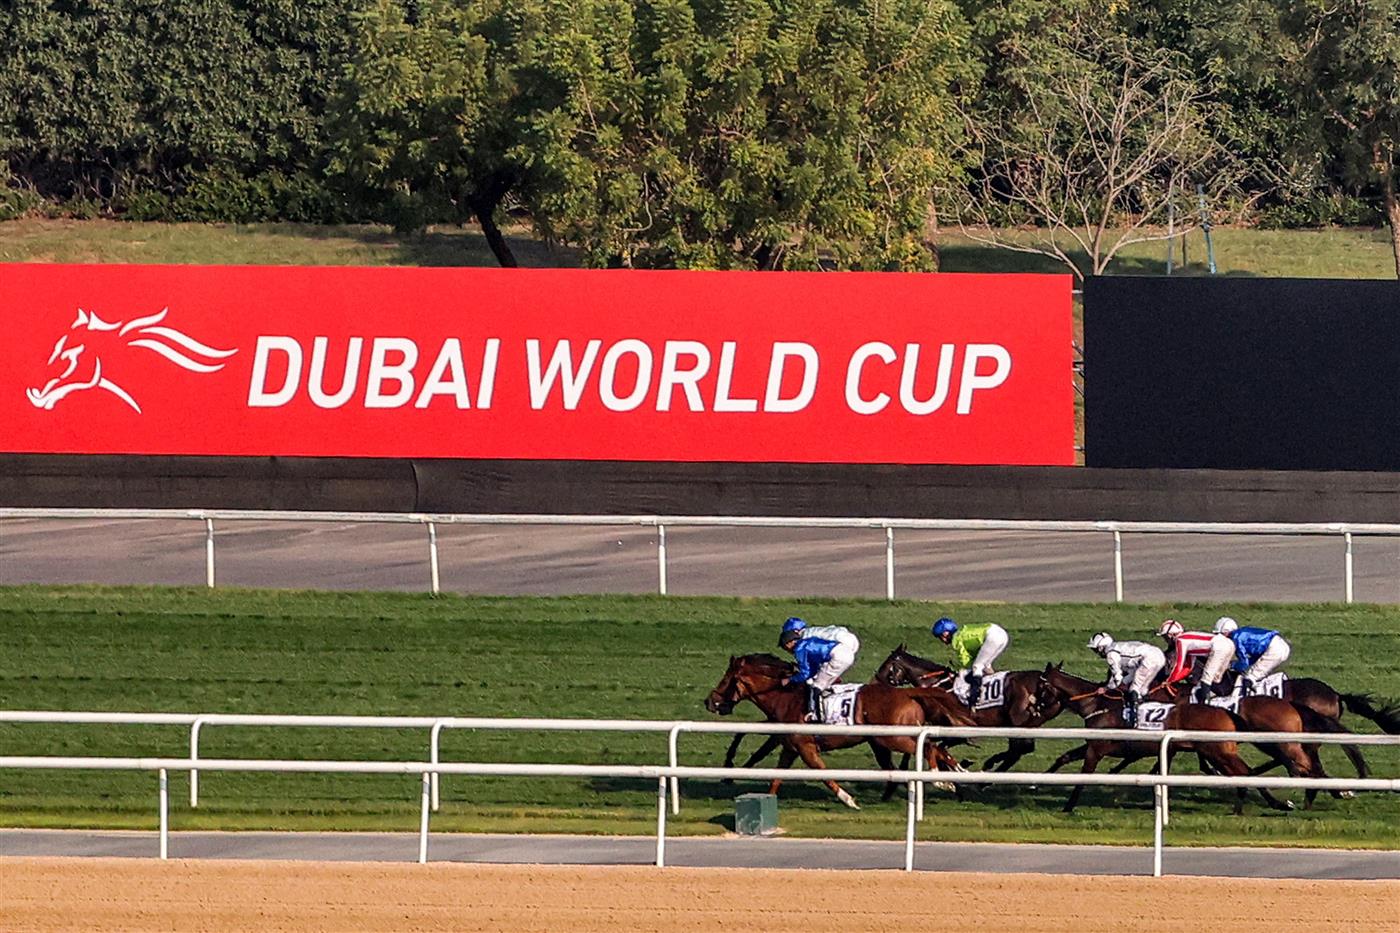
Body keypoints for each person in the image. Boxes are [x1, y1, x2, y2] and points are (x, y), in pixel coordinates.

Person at [777, 617, 860, 722]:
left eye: (785, 647)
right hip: (848, 645)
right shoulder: (810, 633)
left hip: (839, 651)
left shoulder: (802, 643)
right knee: (823, 678)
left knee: (815, 685)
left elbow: (806, 673)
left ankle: (814, 715)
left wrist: (791, 679)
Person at [1087, 631, 1165, 727]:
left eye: (1096, 650)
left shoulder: (1111, 655)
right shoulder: (1116, 647)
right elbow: (1129, 674)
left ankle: (1134, 720)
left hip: (1149, 659)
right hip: (1158, 655)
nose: (1097, 653)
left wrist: (1106, 688)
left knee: (1134, 689)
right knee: (1143, 690)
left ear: (1101, 647)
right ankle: (1148, 715)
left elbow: (1118, 678)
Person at [931, 616, 1009, 707]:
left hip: (992, 637)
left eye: (940, 637)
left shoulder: (956, 639)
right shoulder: (962, 633)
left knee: (977, 666)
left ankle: (974, 697)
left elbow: (966, 662)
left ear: (945, 633)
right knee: (986, 665)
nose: (943, 641)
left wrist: (960, 671)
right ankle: (996, 687)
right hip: (1002, 634)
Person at [1211, 615, 1291, 698]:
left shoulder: (1236, 638)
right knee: (1255, 674)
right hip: (1281, 645)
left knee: (1249, 678)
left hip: (1274, 649)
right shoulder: (1240, 634)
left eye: (1219, 635)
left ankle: (1247, 702)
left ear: (1226, 632)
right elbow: (1251, 661)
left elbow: (1244, 665)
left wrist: (1231, 665)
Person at [1157, 619, 1215, 686]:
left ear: (1171, 635)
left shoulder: (1180, 643)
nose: (1165, 640)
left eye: (1166, 637)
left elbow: (1176, 667)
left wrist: (1169, 680)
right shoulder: (1188, 642)